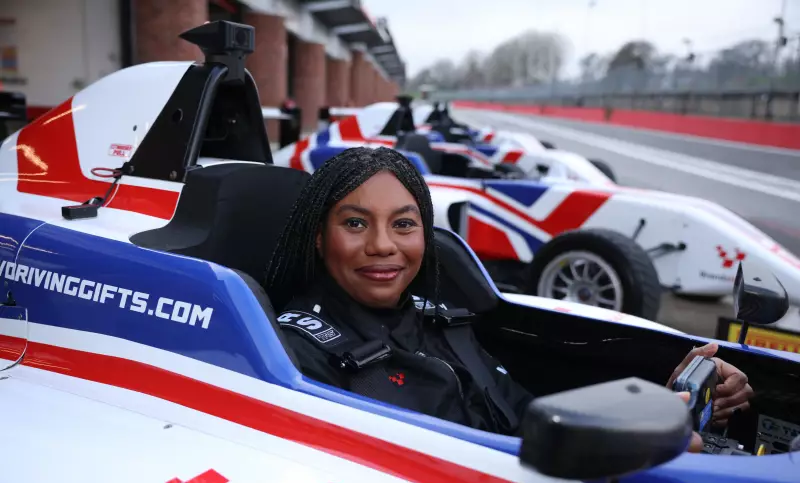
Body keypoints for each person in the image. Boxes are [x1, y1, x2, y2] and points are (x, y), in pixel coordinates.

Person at [265, 146, 753, 450]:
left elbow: (524, 418)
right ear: (318, 237)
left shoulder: (440, 319)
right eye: (355, 223)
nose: (382, 245)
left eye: (404, 224)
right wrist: (627, 449)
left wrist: (663, 401)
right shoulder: (296, 355)